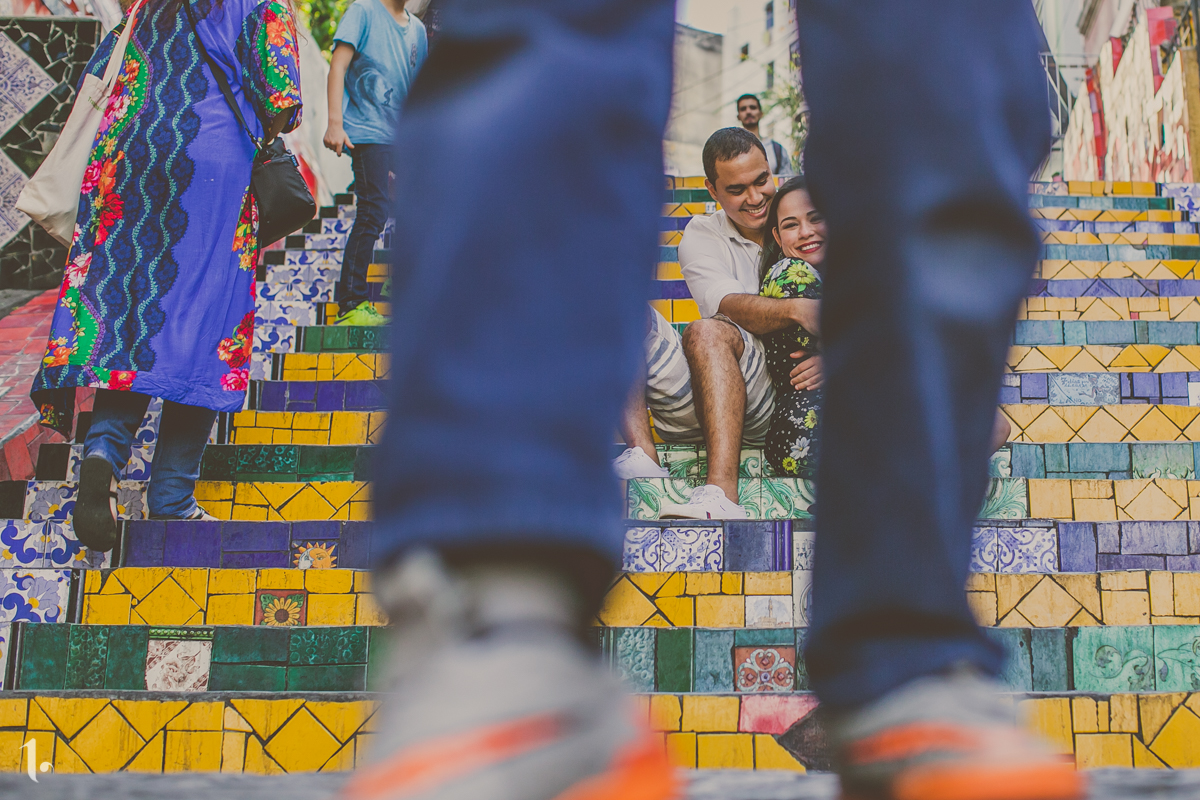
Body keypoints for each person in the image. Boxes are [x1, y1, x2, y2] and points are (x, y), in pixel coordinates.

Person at [343, 1, 1084, 799]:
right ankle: (495, 624)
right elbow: (727, 317)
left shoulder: (787, 231)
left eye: (767, 182)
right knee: (543, 39)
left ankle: (911, 653)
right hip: (740, 381)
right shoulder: (714, 239)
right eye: (745, 188)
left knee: (937, 58)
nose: (763, 200)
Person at [30, 0, 303, 553]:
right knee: (208, 326)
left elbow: (106, 69)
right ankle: (172, 495)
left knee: (134, 317)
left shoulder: (147, 3)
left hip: (131, 160)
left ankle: (104, 455)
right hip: (212, 167)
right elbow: (281, 94)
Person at [613, 127, 824, 520]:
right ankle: (643, 453)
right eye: (737, 189)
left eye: (762, 180)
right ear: (711, 190)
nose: (756, 197)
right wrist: (798, 310)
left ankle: (722, 493)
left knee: (707, 331)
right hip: (705, 386)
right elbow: (730, 306)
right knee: (621, 301)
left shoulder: (802, 226)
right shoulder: (701, 234)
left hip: (773, 400)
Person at [323, 0, 427, 326]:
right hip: (367, 134)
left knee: (425, 204)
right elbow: (338, 65)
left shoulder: (418, 31)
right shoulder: (363, 11)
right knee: (374, 210)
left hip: (402, 136)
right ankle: (350, 304)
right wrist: (335, 122)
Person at [756, 177, 826, 478]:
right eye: (790, 224)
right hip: (807, 433)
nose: (806, 232)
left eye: (816, 218)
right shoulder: (789, 275)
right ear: (777, 234)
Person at [737, 93, 796, 177]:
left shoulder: (777, 150)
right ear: (738, 116)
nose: (748, 111)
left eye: (753, 107)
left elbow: (787, 181)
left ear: (761, 114)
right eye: (743, 109)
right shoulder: (731, 149)